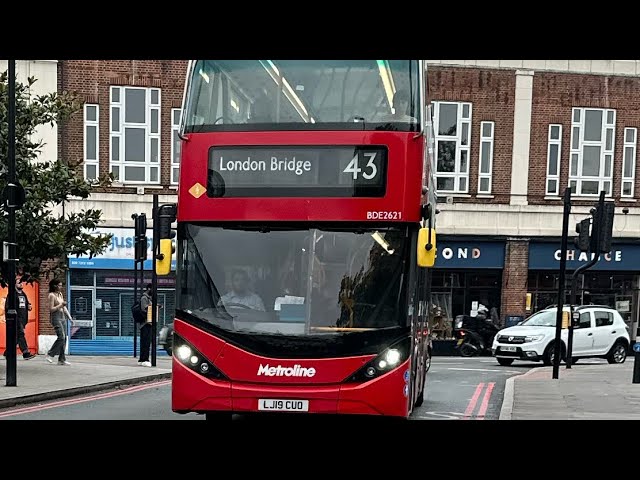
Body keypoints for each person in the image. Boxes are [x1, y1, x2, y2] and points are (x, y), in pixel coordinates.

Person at [2, 276, 37, 360]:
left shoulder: (23, 293)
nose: (21, 284)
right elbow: (7, 307)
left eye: (21, 282)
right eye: (19, 283)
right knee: (21, 334)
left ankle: (7, 352)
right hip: (16, 319)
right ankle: (26, 353)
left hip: (23, 318)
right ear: (14, 285)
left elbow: (27, 304)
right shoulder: (12, 294)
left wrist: (29, 307)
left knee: (16, 337)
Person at [46, 279, 73, 365]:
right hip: (55, 317)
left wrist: (69, 317)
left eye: (61, 285)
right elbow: (51, 309)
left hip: (62, 317)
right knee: (61, 337)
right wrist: (60, 305)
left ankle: (62, 359)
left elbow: (64, 307)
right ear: (55, 286)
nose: (61, 287)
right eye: (59, 285)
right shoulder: (51, 295)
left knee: (64, 338)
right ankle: (50, 354)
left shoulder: (60, 294)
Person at [138, 284, 153, 367]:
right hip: (145, 323)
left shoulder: (149, 298)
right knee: (145, 342)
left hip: (149, 322)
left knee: (146, 342)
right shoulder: (144, 298)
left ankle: (142, 359)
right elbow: (144, 309)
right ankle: (144, 359)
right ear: (149, 289)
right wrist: (152, 307)